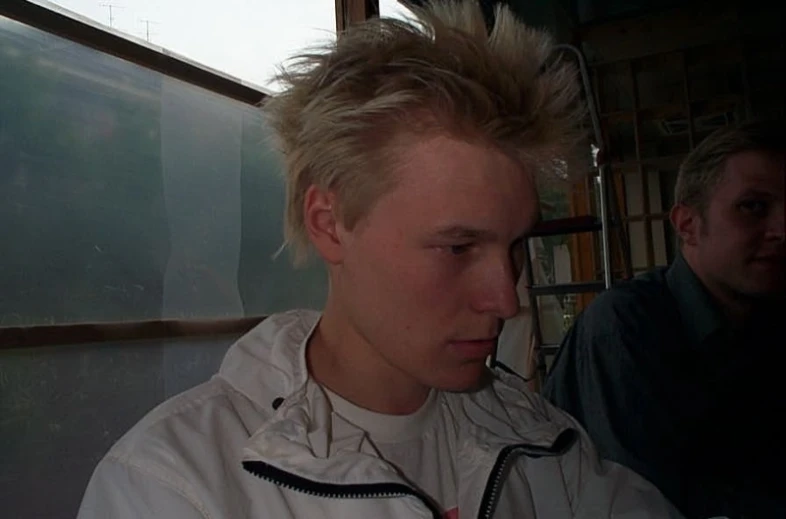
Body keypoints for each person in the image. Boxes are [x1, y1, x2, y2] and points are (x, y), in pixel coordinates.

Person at [77, 2, 682, 518]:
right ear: (330, 224)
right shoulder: (175, 488)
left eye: (516, 245)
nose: (507, 298)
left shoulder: (542, 444)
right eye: (457, 247)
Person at [543, 119, 785, 518]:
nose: (782, 229)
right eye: (753, 207)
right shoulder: (625, 327)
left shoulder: (766, 323)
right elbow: (638, 504)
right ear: (688, 225)